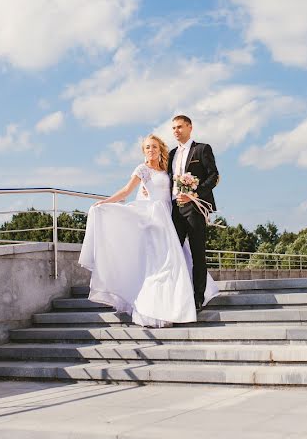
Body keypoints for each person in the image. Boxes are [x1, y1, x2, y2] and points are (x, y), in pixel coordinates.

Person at [78, 134, 216, 327]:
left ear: (160, 150)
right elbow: (126, 191)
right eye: (147, 148)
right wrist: (106, 202)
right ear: (144, 151)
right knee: (160, 264)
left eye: (154, 147)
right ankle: (156, 308)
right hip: (154, 219)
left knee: (177, 260)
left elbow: (172, 191)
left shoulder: (167, 170)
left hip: (169, 217)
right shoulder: (142, 169)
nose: (151, 150)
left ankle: (183, 301)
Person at [168, 114, 219, 311]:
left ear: (190, 127)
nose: (176, 131)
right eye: (173, 128)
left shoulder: (202, 149)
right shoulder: (171, 154)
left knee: (198, 253)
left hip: (195, 207)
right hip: (174, 208)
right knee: (174, 253)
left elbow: (214, 176)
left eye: (180, 127)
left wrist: (194, 194)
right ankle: (175, 296)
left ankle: (198, 298)